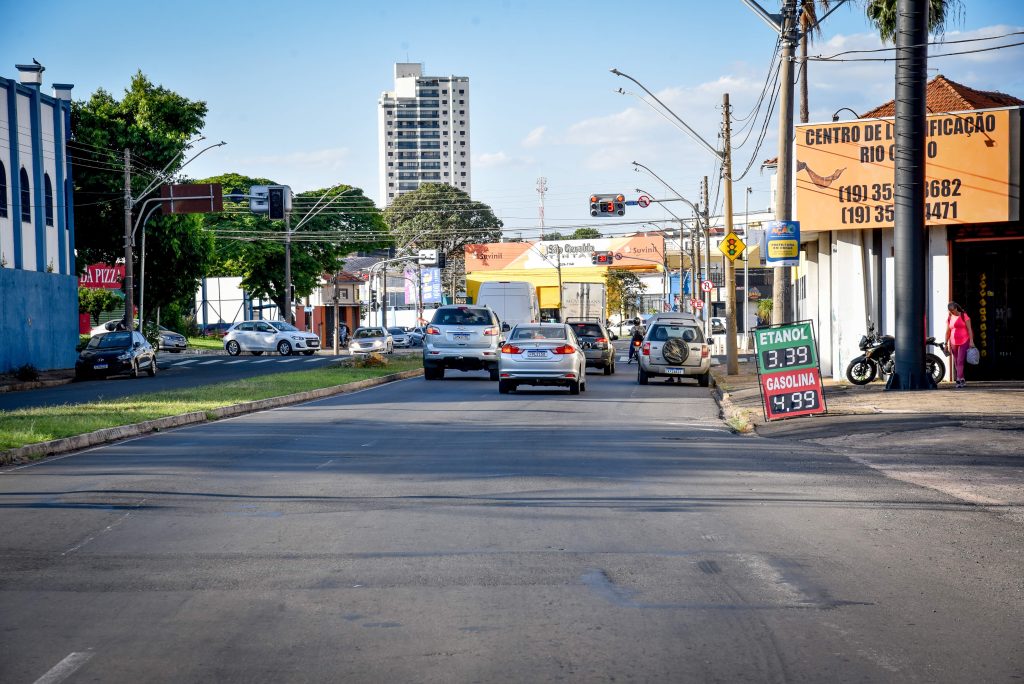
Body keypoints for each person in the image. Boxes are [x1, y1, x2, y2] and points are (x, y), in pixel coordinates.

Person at [945, 301, 975, 389]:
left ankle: (958, 379)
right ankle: (962, 378)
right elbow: (947, 331)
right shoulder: (950, 317)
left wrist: (971, 341)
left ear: (956, 308)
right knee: (956, 361)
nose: (952, 312)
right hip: (953, 341)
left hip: (964, 340)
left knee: (960, 360)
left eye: (953, 310)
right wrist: (946, 343)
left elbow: (969, 329)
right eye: (950, 311)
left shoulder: (963, 315)